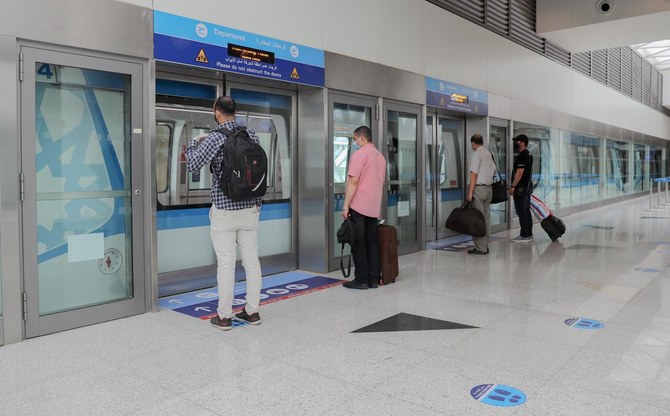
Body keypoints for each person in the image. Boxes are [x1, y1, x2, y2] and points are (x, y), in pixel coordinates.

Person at [185, 96, 263, 330]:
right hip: (250, 209)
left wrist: (194, 142)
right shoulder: (252, 136)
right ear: (236, 112)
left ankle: (225, 316)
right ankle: (252, 312)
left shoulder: (215, 138)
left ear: (216, 112)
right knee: (252, 262)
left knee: (226, 264)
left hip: (225, 210)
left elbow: (192, 165)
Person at [341, 125, 387, 290]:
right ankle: (373, 279)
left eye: (354, 139)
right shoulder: (380, 157)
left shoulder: (360, 154)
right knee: (372, 242)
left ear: (362, 138)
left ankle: (361, 280)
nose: (354, 142)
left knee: (359, 243)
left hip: (359, 206)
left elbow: (353, 181)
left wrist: (346, 205)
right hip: (373, 207)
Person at [466, 134, 496, 255]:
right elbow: (493, 170)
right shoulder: (488, 153)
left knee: (477, 219)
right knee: (486, 218)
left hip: (479, 189)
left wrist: (470, 192)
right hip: (489, 189)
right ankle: (485, 244)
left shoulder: (476, 154)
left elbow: (474, 174)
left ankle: (480, 247)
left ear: (473, 143)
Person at [508, 134, 534, 243]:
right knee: (526, 211)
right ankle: (528, 234)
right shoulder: (529, 154)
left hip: (521, 188)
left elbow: (519, 172)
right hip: (526, 187)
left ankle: (524, 235)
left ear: (522, 142)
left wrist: (513, 186)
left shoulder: (523, 155)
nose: (516, 143)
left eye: (517, 141)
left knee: (522, 211)